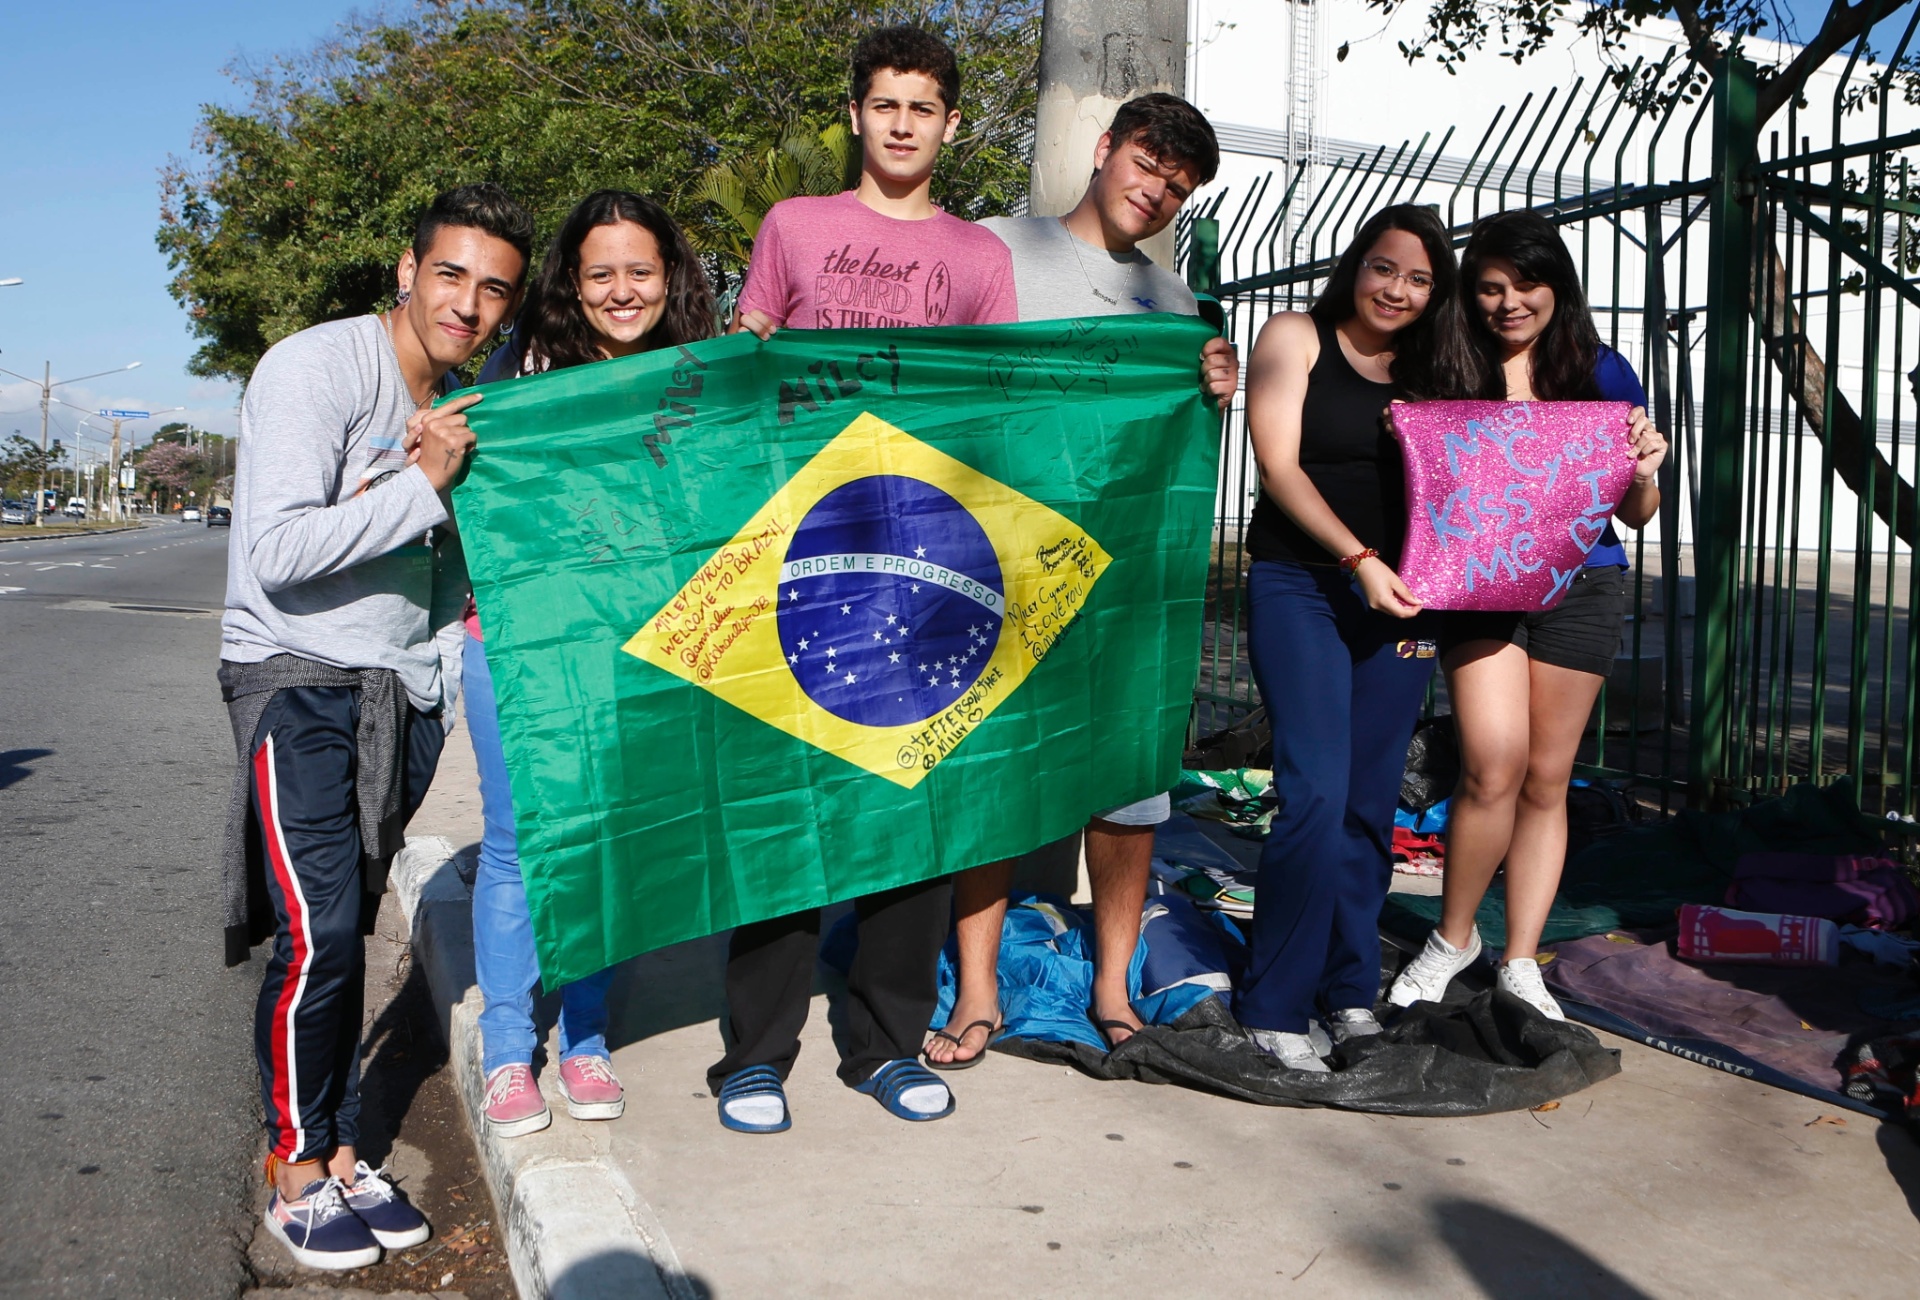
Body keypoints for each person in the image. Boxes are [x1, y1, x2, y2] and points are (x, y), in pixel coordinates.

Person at [218, 184, 532, 1268]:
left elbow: (444, 574)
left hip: (397, 693)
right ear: (407, 271)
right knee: (321, 931)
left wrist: (439, 674)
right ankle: (294, 1167)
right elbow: (280, 551)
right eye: (451, 275)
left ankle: (340, 1142)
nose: (469, 303)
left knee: (345, 928)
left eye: (494, 288)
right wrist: (424, 481)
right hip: (296, 673)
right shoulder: (315, 368)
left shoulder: (466, 398)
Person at [714, 23, 1016, 1133]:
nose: (901, 124)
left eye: (922, 108)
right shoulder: (794, 227)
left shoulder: (980, 258)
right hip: (799, 558)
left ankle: (883, 1044)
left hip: (929, 562)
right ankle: (754, 1055)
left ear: (948, 124)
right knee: (783, 812)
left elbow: (1002, 411)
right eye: (883, 104)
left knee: (915, 809)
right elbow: (746, 379)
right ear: (855, 116)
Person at [925, 92, 1238, 1068]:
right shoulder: (991, 249)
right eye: (1147, 165)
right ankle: (977, 989)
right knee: (989, 773)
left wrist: (1212, 382)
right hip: (994, 558)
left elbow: (1171, 449)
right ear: (1105, 151)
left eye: (1177, 187)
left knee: (1131, 783)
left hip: (1120, 581)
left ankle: (1111, 983)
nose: (1156, 191)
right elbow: (931, 380)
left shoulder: (1173, 306)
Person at [465, 190, 718, 1138]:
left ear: (670, 277)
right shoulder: (519, 373)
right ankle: (503, 1049)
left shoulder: (700, 374)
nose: (622, 290)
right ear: (574, 282)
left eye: (640, 271)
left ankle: (585, 1037)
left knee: (613, 835)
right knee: (518, 841)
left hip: (639, 649)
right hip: (521, 646)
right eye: (600, 272)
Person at [1387, 209, 1668, 1019]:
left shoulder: (1603, 372)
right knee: (1491, 766)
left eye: (1527, 284)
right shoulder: (1449, 369)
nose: (1509, 302)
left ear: (1559, 286)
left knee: (1547, 779)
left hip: (1585, 586)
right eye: (1490, 287)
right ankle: (1452, 939)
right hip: (1481, 589)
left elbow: (1639, 512)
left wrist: (1647, 469)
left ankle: (1519, 960)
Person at [1234, 204, 1480, 1072]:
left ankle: (1345, 992)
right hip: (1304, 583)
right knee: (1313, 793)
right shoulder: (1295, 335)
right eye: (1385, 269)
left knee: (1371, 804)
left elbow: (1515, 437)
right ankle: (1273, 999)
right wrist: (1359, 558)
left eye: (1419, 279)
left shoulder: (1440, 373)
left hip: (1400, 610)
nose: (1399, 291)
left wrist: (1632, 443)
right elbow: (1279, 467)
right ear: (1357, 264)